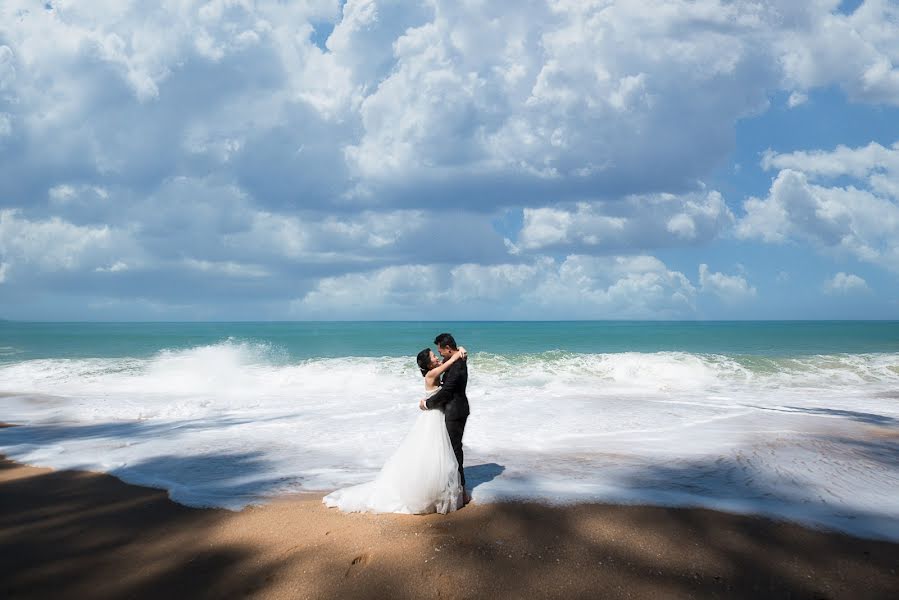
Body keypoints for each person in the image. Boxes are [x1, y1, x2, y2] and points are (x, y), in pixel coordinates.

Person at [321, 345, 467, 514]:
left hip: (437, 414)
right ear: (428, 364)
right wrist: (458, 354)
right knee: (433, 452)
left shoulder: (433, 369)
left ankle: (438, 489)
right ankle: (431, 491)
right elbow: (450, 362)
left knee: (436, 453)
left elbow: (447, 359)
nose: (436, 357)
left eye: (436, 355)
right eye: (433, 356)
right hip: (433, 416)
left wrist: (460, 348)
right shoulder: (431, 373)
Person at [420, 333, 471, 505]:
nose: (439, 354)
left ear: (448, 348)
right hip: (452, 411)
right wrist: (460, 350)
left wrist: (427, 404)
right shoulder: (456, 360)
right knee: (447, 451)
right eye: (435, 354)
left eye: (439, 350)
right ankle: (450, 487)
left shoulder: (457, 364)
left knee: (454, 450)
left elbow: (446, 391)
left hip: (455, 412)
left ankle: (461, 491)